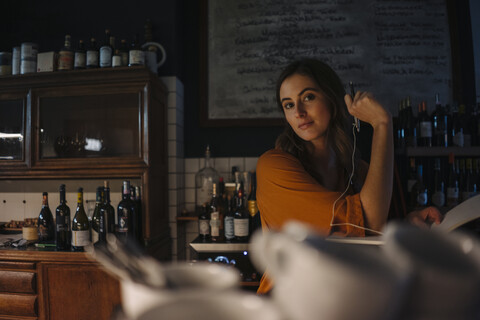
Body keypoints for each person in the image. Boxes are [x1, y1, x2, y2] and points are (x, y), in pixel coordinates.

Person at [256, 58, 442, 294]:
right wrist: (382, 125)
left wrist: (405, 224)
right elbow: (367, 223)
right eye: (289, 105)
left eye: (308, 97)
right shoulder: (272, 167)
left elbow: (374, 236)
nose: (299, 112)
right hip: (291, 301)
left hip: (348, 298)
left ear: (333, 100)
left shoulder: (359, 170)